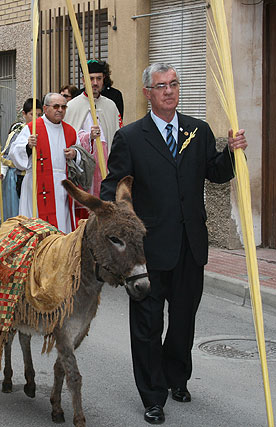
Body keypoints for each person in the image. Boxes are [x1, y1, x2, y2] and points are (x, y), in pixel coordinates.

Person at [100, 63, 247, 425]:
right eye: (161, 86)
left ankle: (176, 377)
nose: (169, 91)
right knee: (148, 326)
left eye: (174, 84)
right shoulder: (131, 137)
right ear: (147, 93)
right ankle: (152, 395)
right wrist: (117, 230)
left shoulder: (198, 130)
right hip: (147, 253)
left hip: (189, 246)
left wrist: (232, 151)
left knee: (183, 321)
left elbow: (216, 171)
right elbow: (113, 186)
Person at [9, 92, 86, 234]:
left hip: (62, 187)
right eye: (56, 106)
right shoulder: (32, 128)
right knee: (37, 226)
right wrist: (28, 146)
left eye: (63, 107)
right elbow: (15, 154)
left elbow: (81, 154)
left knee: (61, 225)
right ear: (45, 108)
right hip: (36, 183)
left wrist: (75, 154)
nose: (60, 110)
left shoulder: (70, 131)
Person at [65, 59, 122, 201]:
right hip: (82, 170)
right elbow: (68, 140)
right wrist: (88, 137)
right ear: (84, 80)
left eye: (99, 78)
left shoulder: (111, 106)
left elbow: (117, 138)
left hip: (106, 169)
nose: (95, 83)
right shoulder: (72, 106)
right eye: (91, 78)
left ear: (104, 80)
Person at [0, 98, 42, 219]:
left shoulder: (42, 130)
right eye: (32, 114)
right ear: (24, 114)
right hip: (16, 176)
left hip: (34, 176)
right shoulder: (18, 131)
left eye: (39, 115)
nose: (36, 118)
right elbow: (7, 154)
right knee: (17, 212)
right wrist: (2, 172)